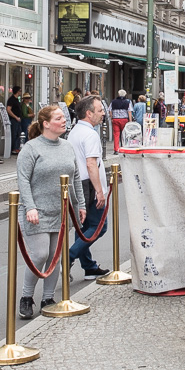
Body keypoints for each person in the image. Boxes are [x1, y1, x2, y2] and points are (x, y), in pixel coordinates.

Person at [17, 105, 85, 319]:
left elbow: (75, 178)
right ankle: (27, 296)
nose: (64, 120)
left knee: (56, 256)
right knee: (40, 254)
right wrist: (30, 207)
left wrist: (80, 205)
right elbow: (23, 180)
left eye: (64, 117)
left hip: (61, 210)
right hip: (37, 211)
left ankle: (48, 298)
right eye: (58, 118)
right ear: (46, 124)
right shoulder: (31, 148)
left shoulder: (67, 147)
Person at [67, 95, 110, 278]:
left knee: (83, 228)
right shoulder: (90, 134)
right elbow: (91, 164)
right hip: (89, 185)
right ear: (88, 113)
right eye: (99, 110)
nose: (103, 114)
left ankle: (89, 266)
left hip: (78, 184)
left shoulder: (75, 131)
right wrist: (99, 191)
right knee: (99, 225)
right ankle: (68, 256)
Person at [6, 86, 26, 154]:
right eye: (20, 91)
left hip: (18, 119)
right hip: (14, 119)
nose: (20, 92)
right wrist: (15, 117)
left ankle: (17, 147)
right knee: (14, 134)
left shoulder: (17, 99)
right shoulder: (11, 99)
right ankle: (13, 148)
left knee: (18, 134)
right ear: (17, 91)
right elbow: (8, 109)